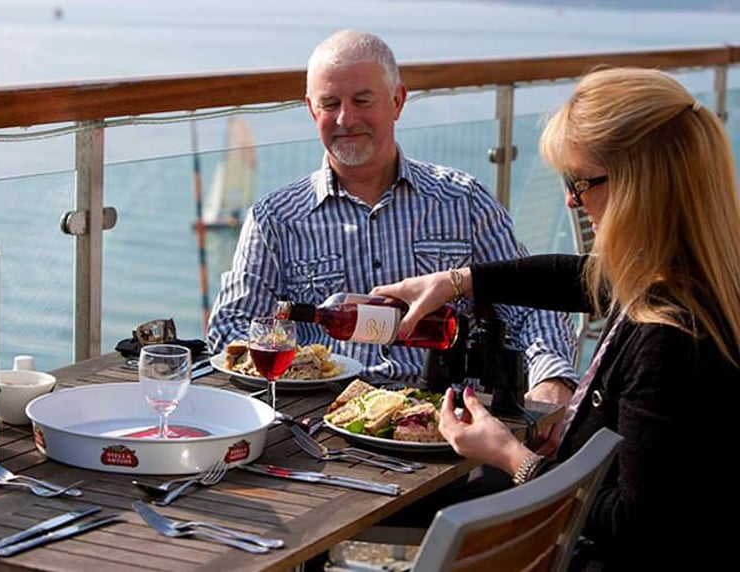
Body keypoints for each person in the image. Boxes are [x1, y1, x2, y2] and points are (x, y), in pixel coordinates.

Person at [371, 66, 740, 569]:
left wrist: (511, 457)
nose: (570, 199)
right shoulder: (689, 274)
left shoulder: (669, 338)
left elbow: (637, 525)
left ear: (640, 185)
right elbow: (573, 277)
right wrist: (456, 281)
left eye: (579, 181)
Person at [206, 29, 577, 407]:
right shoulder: (275, 218)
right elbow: (230, 330)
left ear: (397, 101)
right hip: (322, 415)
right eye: (330, 103)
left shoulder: (463, 200)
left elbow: (534, 306)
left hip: (447, 415)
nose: (345, 118)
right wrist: (306, 366)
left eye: (362, 100)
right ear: (312, 110)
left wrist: (553, 379)